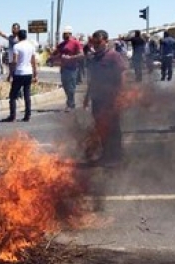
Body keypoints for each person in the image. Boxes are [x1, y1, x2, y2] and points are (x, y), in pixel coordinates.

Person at [83, 30, 127, 167]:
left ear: (106, 41)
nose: (95, 45)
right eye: (94, 43)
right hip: (97, 99)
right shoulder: (94, 58)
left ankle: (116, 157)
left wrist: (120, 95)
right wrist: (87, 97)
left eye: (98, 42)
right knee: (101, 127)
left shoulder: (114, 56)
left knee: (113, 128)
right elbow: (92, 80)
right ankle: (106, 154)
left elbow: (122, 76)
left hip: (111, 98)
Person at [2, 29, 37, 122]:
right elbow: (34, 62)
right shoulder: (31, 46)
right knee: (27, 95)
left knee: (13, 95)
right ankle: (27, 115)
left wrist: (10, 74)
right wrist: (35, 74)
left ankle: (12, 116)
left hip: (19, 73)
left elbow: (14, 61)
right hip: (28, 73)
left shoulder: (17, 47)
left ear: (18, 37)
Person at [51, 26, 84, 110]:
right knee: (65, 86)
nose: (64, 35)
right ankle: (70, 101)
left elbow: (81, 54)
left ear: (70, 34)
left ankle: (70, 103)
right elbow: (55, 54)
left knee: (71, 87)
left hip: (72, 68)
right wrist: (53, 57)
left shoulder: (75, 43)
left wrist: (71, 57)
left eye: (66, 33)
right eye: (63, 33)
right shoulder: (61, 44)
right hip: (63, 68)